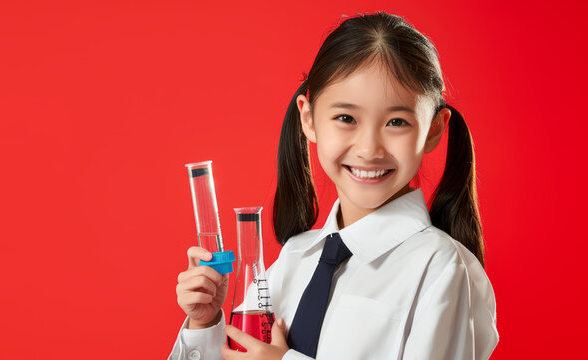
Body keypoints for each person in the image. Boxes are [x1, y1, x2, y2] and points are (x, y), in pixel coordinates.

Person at [169, 11, 499, 360]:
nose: (369, 149)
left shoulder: (441, 268)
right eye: (346, 118)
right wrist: (205, 324)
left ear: (433, 129)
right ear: (309, 119)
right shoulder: (294, 258)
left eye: (397, 121)